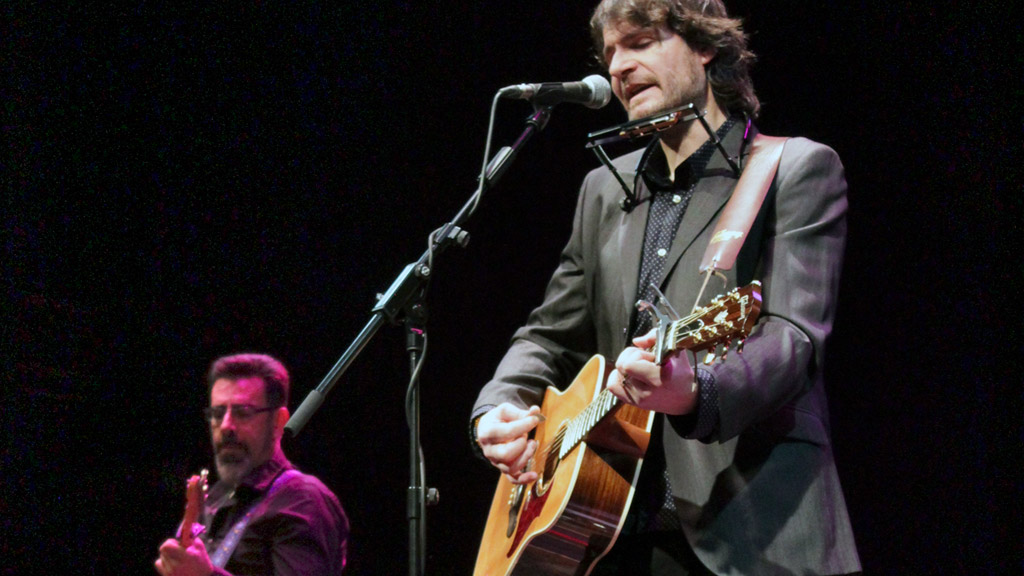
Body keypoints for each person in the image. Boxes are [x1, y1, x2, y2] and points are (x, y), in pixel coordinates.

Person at [471, 0, 861, 574]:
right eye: (610, 53)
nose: (618, 67)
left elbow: (792, 337)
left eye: (640, 42)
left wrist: (696, 391)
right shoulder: (603, 188)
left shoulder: (791, 167)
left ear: (705, 46)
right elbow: (549, 333)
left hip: (757, 531)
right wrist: (497, 408)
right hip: (610, 534)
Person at [156, 353, 349, 576]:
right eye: (218, 413)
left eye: (243, 412)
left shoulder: (303, 500)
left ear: (278, 422)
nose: (226, 425)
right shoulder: (214, 496)